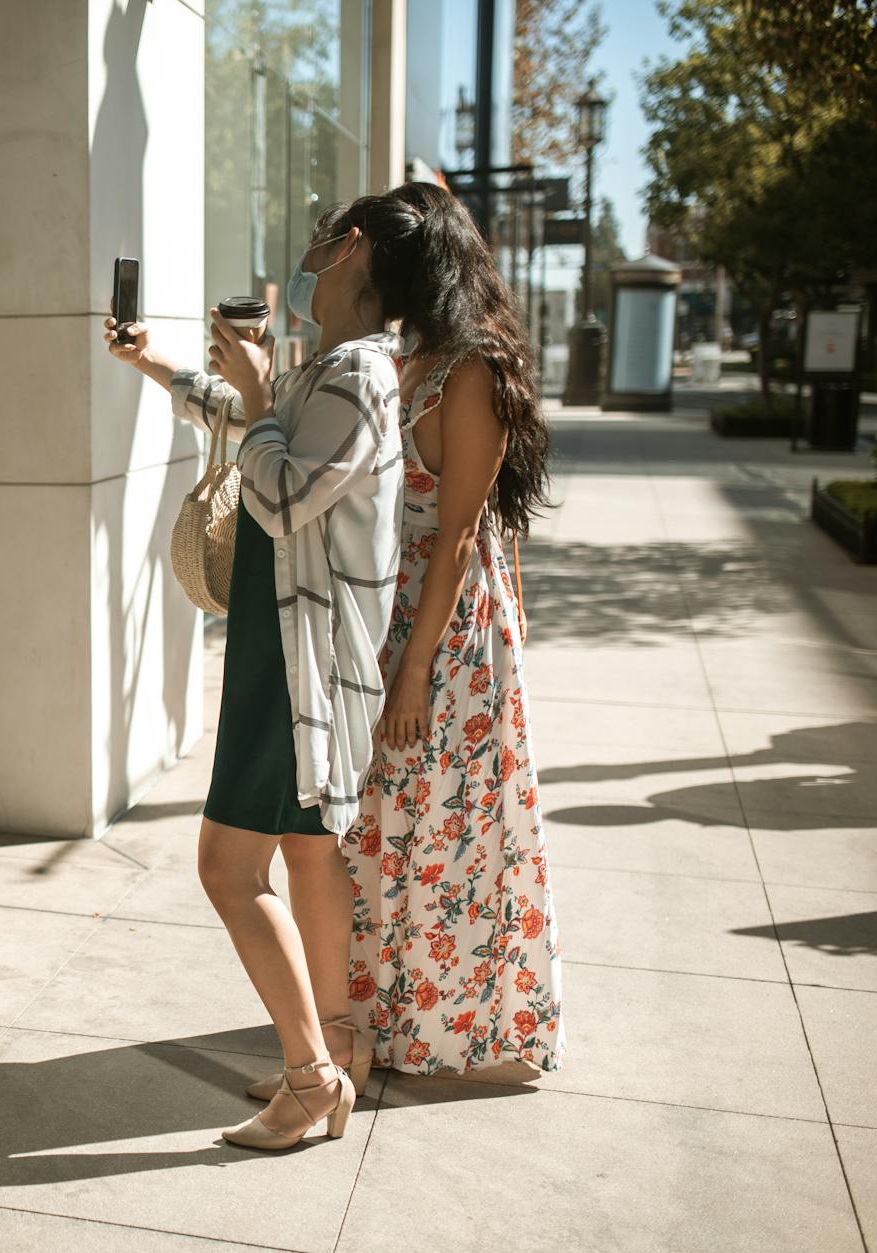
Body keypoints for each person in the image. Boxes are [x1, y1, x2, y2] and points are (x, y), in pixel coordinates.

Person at [105, 200, 412, 1148]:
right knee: (308, 851)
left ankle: (313, 1077)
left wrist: (261, 393)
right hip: (289, 651)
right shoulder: (338, 368)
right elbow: (249, 420)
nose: (311, 247)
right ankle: (340, 1049)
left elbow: (278, 491)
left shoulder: (357, 373)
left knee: (226, 869)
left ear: (353, 250)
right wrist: (155, 361)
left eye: (327, 233)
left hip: (295, 663)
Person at [335, 184, 563, 1077]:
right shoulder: (406, 357)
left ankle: (451, 1027)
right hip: (394, 616)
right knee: (389, 827)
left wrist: (416, 672)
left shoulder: (470, 371)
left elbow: (465, 532)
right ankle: (378, 1020)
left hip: (445, 634)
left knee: (445, 832)